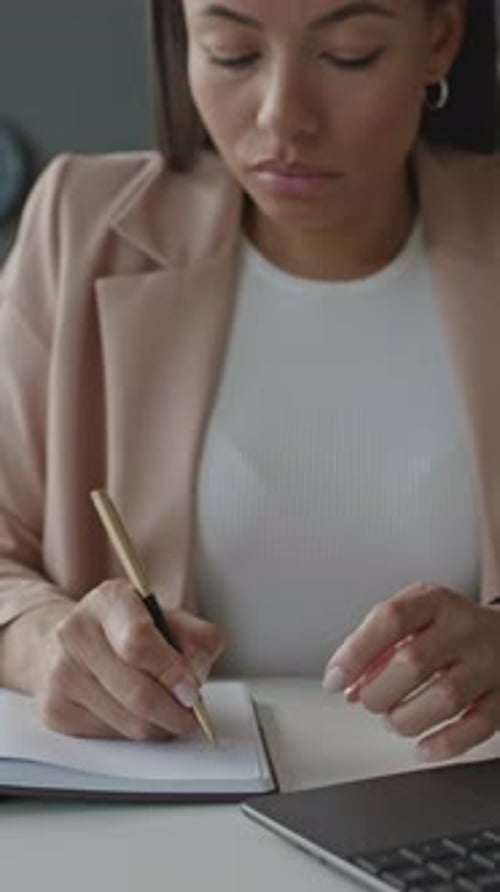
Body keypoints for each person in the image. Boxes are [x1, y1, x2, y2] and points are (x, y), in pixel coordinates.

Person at [0, 0, 499, 761]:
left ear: (439, 38)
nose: (282, 119)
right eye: (232, 54)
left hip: (457, 816)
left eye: (349, 55)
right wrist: (44, 645)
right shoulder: (81, 226)